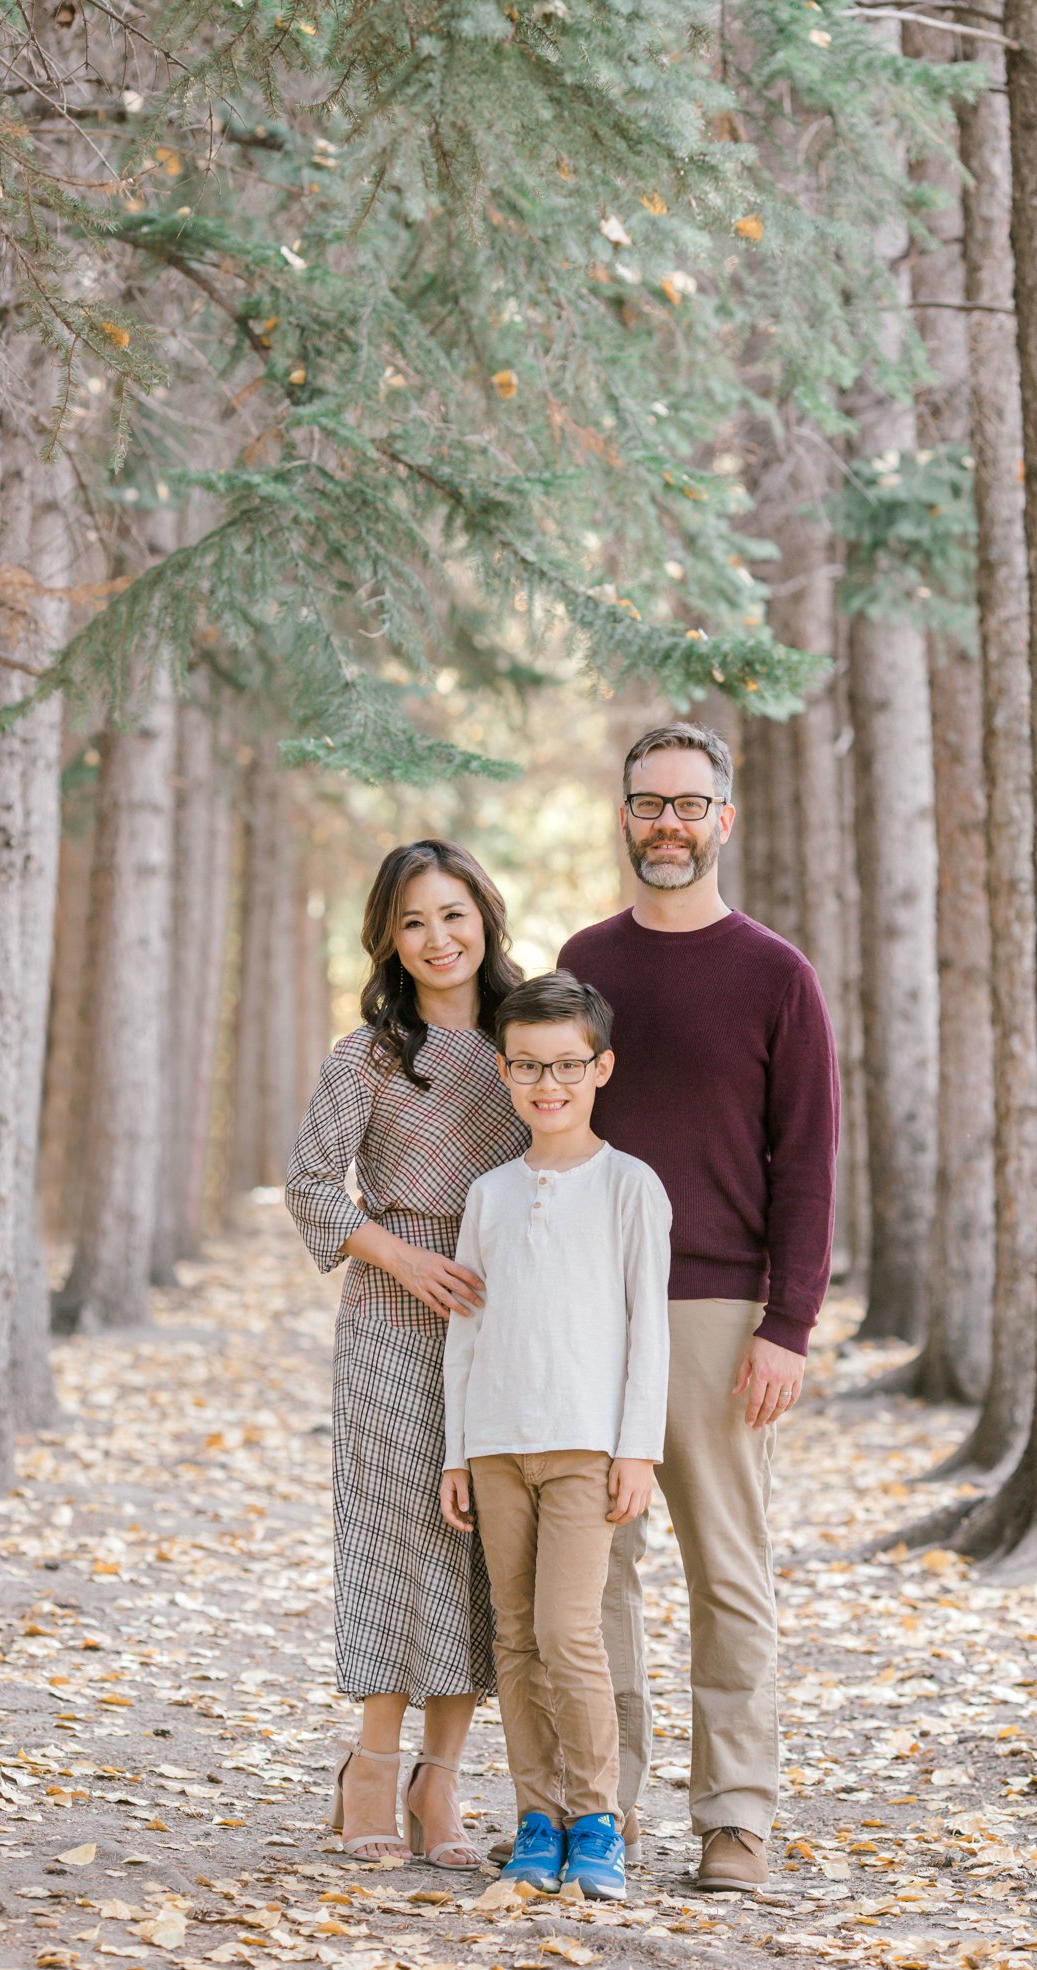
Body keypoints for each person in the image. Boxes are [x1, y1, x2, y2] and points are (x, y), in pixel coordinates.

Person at [558, 721, 839, 1892]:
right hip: (585, 1310)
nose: (665, 822)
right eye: (646, 802)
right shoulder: (584, 962)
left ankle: (735, 1815)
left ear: (722, 819)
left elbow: (810, 1158)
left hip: (717, 1312)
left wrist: (788, 1324)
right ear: (623, 814)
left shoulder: (776, 973)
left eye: (687, 803)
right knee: (592, 1577)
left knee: (729, 1570)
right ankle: (597, 1804)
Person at [286, 839, 529, 1869]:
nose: (438, 937)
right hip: (394, 1306)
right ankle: (371, 1767)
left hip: (507, 1308)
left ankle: (443, 1784)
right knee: (397, 1534)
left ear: (486, 916)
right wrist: (396, 1253)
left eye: (454, 913)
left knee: (480, 1544)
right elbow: (308, 1183)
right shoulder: (369, 1055)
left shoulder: (529, 1040)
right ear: (388, 935)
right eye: (414, 920)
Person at [439, 972, 671, 1902]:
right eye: (529, 1066)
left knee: (571, 1633)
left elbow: (646, 1326)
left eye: (567, 1066)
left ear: (600, 1067)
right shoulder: (488, 1193)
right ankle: (536, 1818)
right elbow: (465, 1331)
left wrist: (637, 1447)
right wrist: (457, 1451)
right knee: (515, 1638)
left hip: (585, 1445)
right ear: (503, 1071)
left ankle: (596, 1818)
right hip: (497, 1443)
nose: (549, 1084)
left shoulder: (628, 1187)